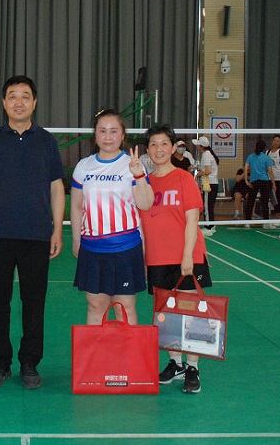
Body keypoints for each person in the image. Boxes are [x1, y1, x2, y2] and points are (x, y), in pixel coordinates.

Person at [0, 75, 65, 390]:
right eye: (13, 96)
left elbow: (56, 187)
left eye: (25, 96)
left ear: (34, 102)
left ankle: (29, 362)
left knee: (34, 301)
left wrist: (57, 229)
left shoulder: (47, 142)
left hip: (36, 235)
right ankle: (0, 361)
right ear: (4, 102)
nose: (19, 102)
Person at [132, 124, 211, 394]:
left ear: (173, 147)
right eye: (153, 144)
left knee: (189, 314)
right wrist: (145, 259)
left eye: (164, 143)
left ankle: (193, 367)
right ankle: (175, 363)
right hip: (157, 258)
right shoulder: (143, 183)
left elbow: (192, 220)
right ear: (147, 150)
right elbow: (142, 224)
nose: (159, 149)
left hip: (186, 257)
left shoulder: (184, 178)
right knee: (165, 314)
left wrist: (187, 256)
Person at [70, 109, 145, 325]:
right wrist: (76, 240)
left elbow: (145, 204)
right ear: (95, 134)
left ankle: (128, 349)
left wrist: (139, 175)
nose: (108, 136)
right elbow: (76, 206)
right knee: (96, 305)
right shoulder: (84, 166)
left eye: (114, 131)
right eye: (102, 131)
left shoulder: (132, 165)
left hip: (125, 248)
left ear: (123, 134)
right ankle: (96, 349)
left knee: (125, 307)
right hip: (92, 249)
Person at [244, 140, 276, 228]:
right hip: (264, 181)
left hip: (253, 181)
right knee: (265, 202)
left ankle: (247, 222)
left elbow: (246, 168)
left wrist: (246, 180)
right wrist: (273, 183)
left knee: (250, 202)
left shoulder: (250, 157)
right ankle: (266, 223)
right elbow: (270, 172)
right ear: (264, 148)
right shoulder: (266, 158)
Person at [193, 137, 219, 236]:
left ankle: (209, 227)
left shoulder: (206, 155)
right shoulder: (208, 154)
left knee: (207, 206)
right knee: (209, 205)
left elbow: (208, 171)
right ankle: (211, 225)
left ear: (201, 146)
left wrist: (198, 174)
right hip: (212, 183)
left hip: (209, 184)